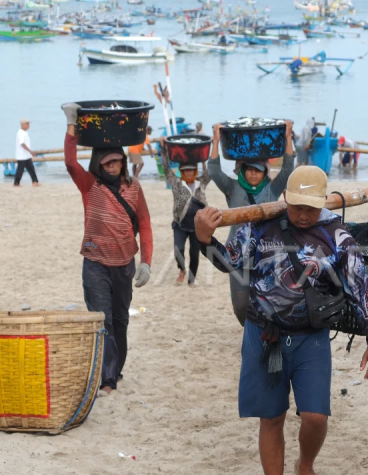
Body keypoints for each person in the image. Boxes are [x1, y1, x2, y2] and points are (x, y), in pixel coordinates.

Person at [194, 166, 368, 475]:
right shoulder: (260, 224)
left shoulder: (337, 236)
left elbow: (362, 288)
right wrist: (205, 239)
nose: (302, 215)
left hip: (310, 337)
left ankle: (305, 465)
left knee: (315, 416)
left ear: (322, 204)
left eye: (310, 209)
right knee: (271, 417)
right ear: (286, 199)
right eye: (297, 207)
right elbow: (232, 263)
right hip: (263, 334)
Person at [61, 103, 153, 396]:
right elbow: (70, 162)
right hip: (95, 263)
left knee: (121, 320)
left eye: (117, 162)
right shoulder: (89, 185)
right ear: (98, 165)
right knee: (104, 321)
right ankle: (108, 380)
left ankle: (115, 370)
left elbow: (146, 223)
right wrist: (72, 123)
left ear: (124, 162)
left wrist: (146, 262)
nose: (113, 167)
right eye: (108, 163)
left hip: (124, 264)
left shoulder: (134, 188)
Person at [209, 120, 295, 326]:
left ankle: (262, 334)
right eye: (249, 169)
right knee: (240, 307)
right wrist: (216, 140)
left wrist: (288, 136)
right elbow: (213, 170)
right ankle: (250, 329)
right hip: (237, 257)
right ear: (242, 169)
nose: (254, 173)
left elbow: (288, 167)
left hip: (267, 255)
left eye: (258, 169)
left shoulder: (273, 189)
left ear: (265, 171)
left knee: (270, 303)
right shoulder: (232, 187)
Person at [159, 137, 211, 286]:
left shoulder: (201, 183)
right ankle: (182, 269)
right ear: (181, 172)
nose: (188, 173)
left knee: (194, 254)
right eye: (185, 171)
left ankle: (192, 278)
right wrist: (163, 149)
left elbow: (211, 171)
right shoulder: (176, 183)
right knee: (178, 250)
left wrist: (204, 157)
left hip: (197, 226)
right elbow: (166, 168)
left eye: (191, 170)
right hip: (179, 225)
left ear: (195, 171)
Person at [14, 118, 39, 187]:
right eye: (27, 124)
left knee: (31, 168)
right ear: (23, 124)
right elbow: (22, 143)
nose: (28, 125)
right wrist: (30, 151)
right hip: (22, 155)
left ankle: (35, 181)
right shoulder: (20, 133)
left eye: (29, 124)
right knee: (20, 170)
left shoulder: (25, 133)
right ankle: (16, 183)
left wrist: (29, 152)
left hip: (26, 155)